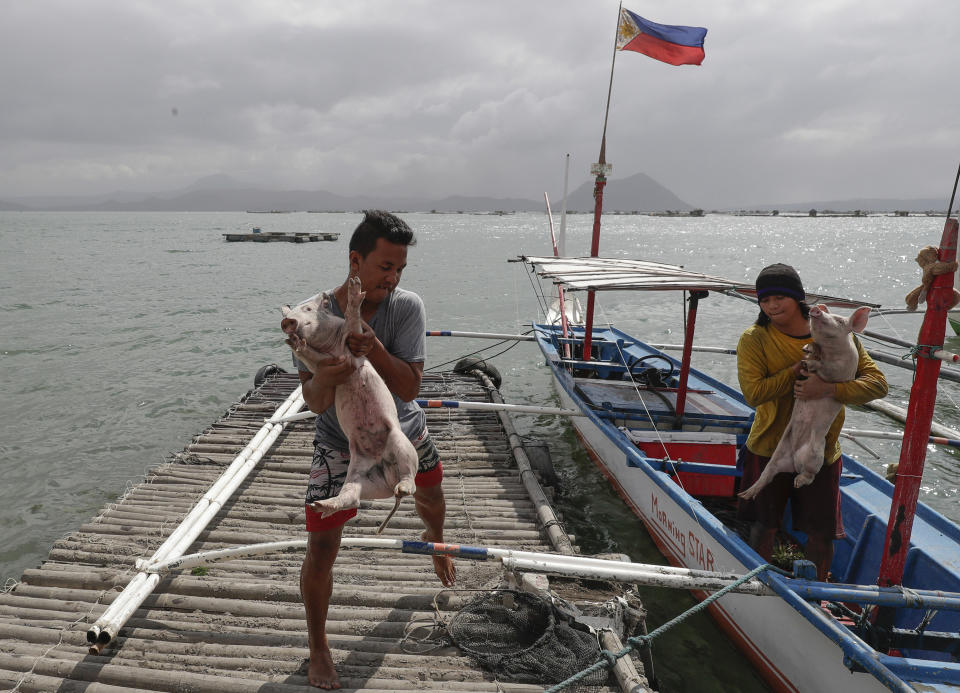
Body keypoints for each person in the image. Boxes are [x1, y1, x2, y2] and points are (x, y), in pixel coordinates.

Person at [289, 210, 455, 689]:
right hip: (338, 443)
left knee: (431, 496)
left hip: (403, 429)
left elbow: (408, 388)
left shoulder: (407, 307)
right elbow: (314, 402)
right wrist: (322, 375)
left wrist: (375, 348)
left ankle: (436, 545)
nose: (393, 277)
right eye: (385, 267)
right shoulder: (310, 317)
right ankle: (318, 647)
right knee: (321, 545)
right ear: (355, 260)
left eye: (400, 268)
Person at [736, 263, 887, 581]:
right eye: (765, 300)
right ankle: (754, 585)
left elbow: (877, 384)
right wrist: (794, 371)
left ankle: (817, 593)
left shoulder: (836, 332)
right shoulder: (755, 339)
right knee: (764, 524)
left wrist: (830, 388)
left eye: (780, 297)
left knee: (822, 534)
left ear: (798, 298)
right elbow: (753, 394)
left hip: (821, 449)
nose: (773, 305)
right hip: (768, 446)